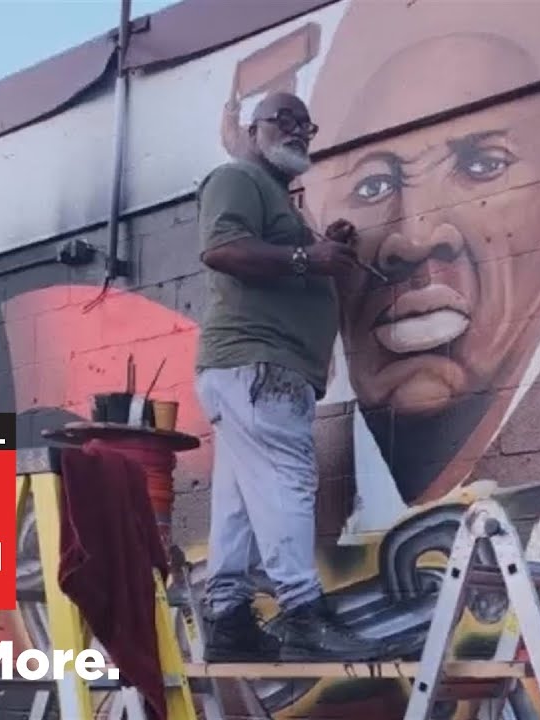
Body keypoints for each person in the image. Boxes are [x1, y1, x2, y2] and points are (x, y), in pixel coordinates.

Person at [192, 91, 378, 662]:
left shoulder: (275, 197)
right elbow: (222, 248)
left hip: (256, 370)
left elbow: (279, 257)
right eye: (283, 119)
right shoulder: (237, 178)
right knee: (288, 482)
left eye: (306, 123)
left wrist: (322, 248)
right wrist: (307, 259)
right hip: (259, 365)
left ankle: (228, 622)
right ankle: (300, 613)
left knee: (242, 503)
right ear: (252, 130)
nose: (298, 130)